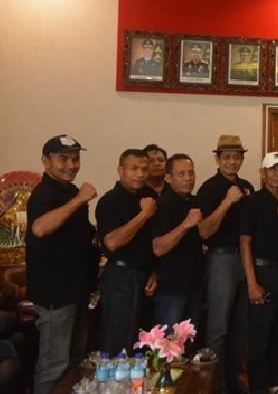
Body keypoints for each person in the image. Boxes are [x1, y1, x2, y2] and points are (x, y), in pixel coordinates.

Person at [26, 134, 99, 394]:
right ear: (46, 162)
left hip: (76, 290)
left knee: (74, 361)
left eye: (75, 159)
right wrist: (79, 200)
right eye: (63, 159)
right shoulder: (44, 193)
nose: (71, 165)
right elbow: (40, 228)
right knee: (53, 364)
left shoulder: (69, 191)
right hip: (55, 295)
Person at [239, 152, 278, 394]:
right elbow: (245, 242)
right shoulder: (253, 202)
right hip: (262, 272)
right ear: (263, 173)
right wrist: (252, 283)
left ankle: (277, 383)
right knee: (260, 332)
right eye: (273, 169)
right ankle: (258, 387)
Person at [197, 135, 254, 394]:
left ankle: (232, 381)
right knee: (218, 326)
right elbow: (204, 231)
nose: (232, 161)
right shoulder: (209, 188)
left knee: (241, 326)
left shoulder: (247, 186)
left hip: (246, 258)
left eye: (237, 157)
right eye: (227, 157)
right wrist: (227, 202)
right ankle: (214, 385)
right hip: (220, 260)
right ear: (218, 159)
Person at [95, 149, 158, 356]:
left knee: (145, 344)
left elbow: (150, 243)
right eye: (134, 169)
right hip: (121, 278)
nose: (140, 174)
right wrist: (144, 215)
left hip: (145, 278)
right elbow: (112, 242)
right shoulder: (110, 201)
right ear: (121, 170)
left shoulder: (148, 198)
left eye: (144, 169)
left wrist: (153, 271)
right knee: (120, 343)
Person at [152, 153, 204, 345]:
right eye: (181, 174)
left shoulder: (194, 202)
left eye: (191, 173)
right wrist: (185, 225)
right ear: (168, 177)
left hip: (194, 286)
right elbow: (158, 248)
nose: (188, 178)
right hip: (171, 288)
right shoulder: (163, 204)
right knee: (169, 346)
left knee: (188, 346)